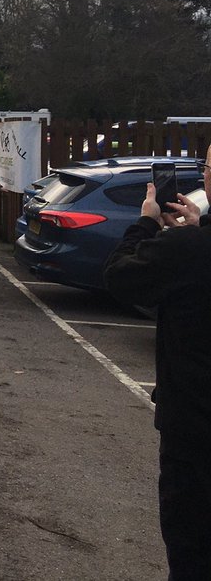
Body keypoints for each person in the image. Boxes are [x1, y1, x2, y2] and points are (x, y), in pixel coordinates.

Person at [104, 165, 211, 580]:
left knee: (193, 550)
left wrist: (145, 223)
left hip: (195, 425)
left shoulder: (189, 250)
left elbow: (119, 277)